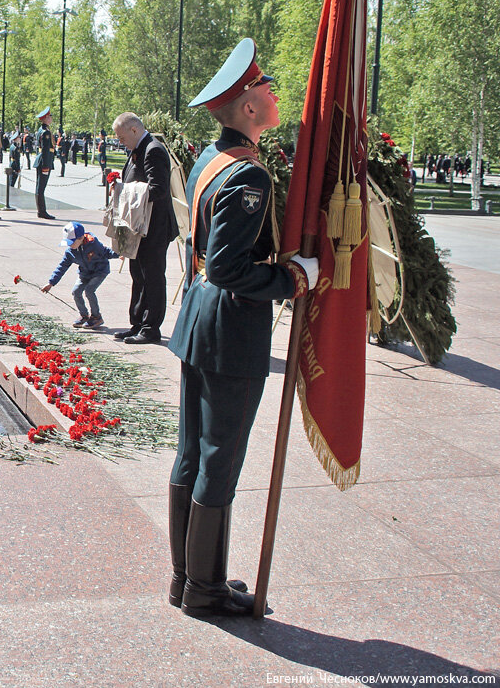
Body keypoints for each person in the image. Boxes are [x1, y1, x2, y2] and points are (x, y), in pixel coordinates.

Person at [166, 38, 317, 618]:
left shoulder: (212, 159)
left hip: (200, 319)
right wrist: (293, 279)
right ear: (248, 108)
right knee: (218, 457)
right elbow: (231, 267)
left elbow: (203, 252)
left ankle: (187, 579)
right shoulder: (248, 178)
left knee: (192, 453)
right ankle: (203, 589)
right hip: (230, 330)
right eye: (266, 88)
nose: (274, 94)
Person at [111, 112, 178, 344]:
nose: (120, 142)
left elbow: (158, 189)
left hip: (154, 227)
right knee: (137, 275)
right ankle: (137, 323)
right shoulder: (139, 148)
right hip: (138, 226)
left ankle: (151, 329)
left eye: (121, 137)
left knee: (152, 277)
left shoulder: (153, 149)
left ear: (134, 130)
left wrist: (127, 193)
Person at [42, 221, 119, 329]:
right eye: (68, 242)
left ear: (81, 238)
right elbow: (62, 267)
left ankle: (96, 317)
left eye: (72, 242)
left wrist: (118, 254)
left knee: (89, 291)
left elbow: (105, 252)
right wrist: (51, 283)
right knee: (76, 291)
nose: (69, 245)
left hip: (99, 271)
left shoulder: (93, 244)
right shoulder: (70, 252)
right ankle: (84, 315)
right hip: (85, 273)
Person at [34, 107, 56, 219]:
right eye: (50, 116)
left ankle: (41, 210)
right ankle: (42, 211)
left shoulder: (41, 130)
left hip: (42, 160)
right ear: (46, 118)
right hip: (44, 161)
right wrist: (47, 165)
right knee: (41, 187)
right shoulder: (45, 132)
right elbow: (46, 150)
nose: (51, 118)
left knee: (40, 187)